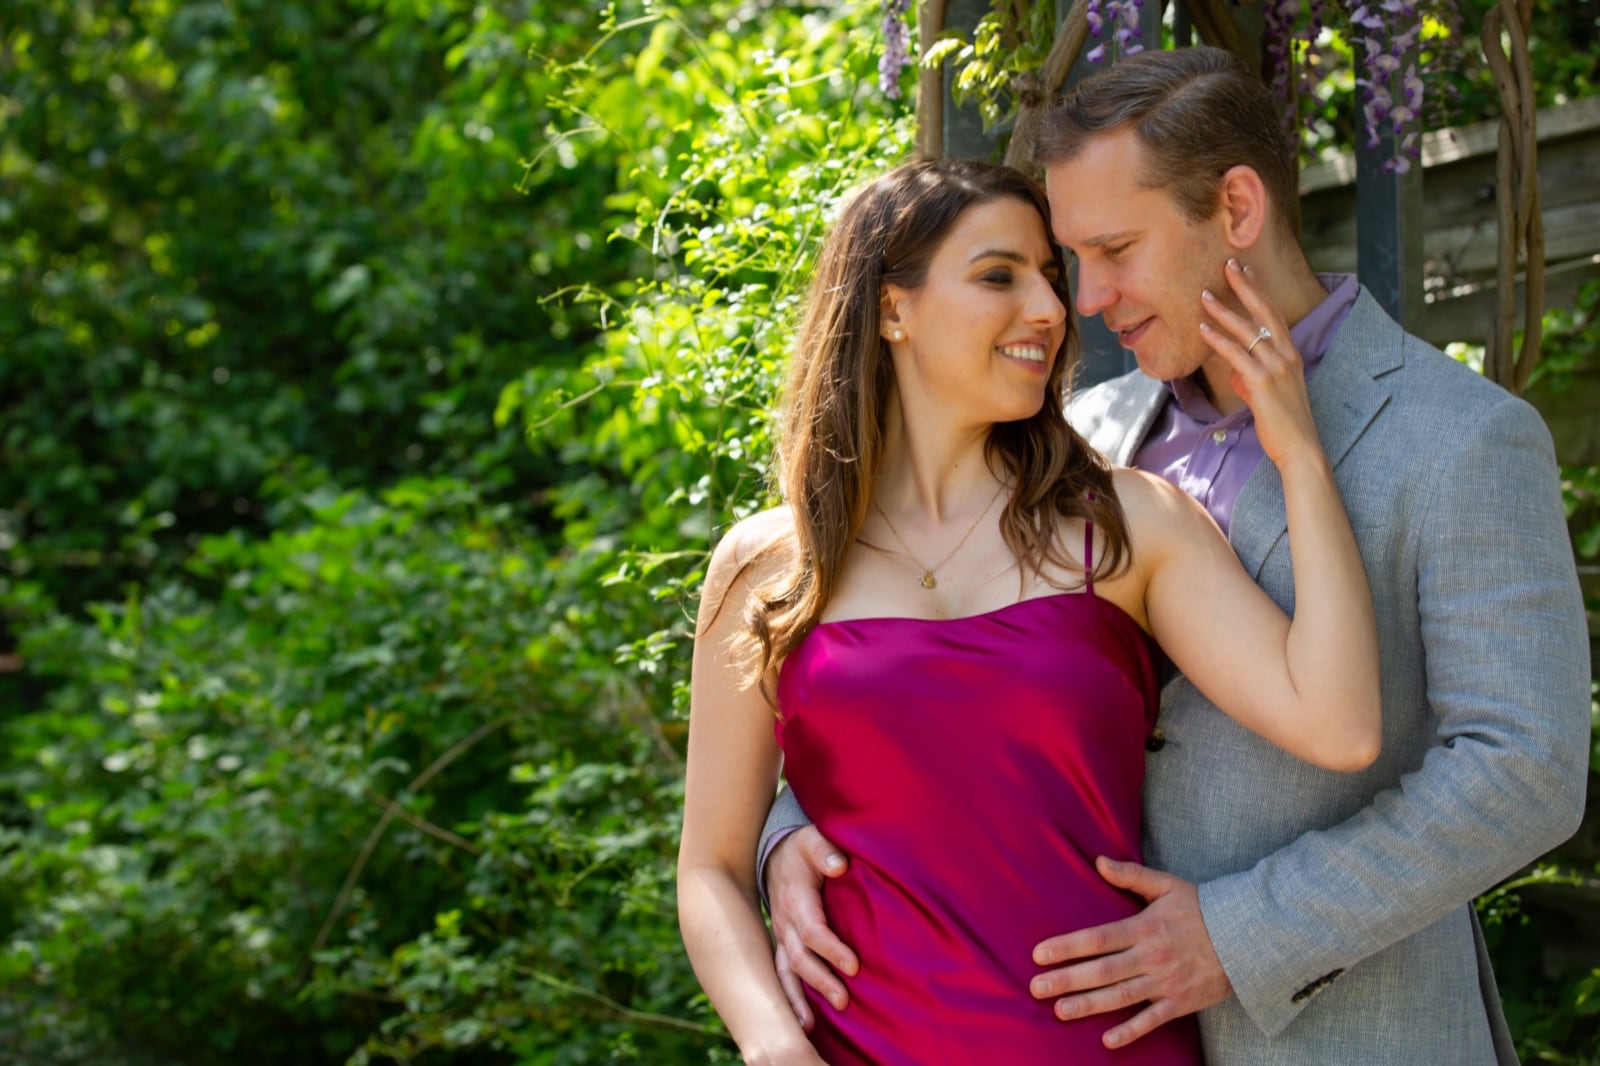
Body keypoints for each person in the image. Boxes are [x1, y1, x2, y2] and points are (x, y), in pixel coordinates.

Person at [758, 47, 1591, 1065]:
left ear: (1235, 210)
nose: (1085, 301)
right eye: (1073, 261)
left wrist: (1241, 934)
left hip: (1348, 1037)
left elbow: (1525, 772)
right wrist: (789, 832)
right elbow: (934, 673)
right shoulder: (1082, 433)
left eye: (1114, 249)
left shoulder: (1461, 437)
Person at [678, 156, 1384, 1065]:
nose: (1054, 310)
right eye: (999, 276)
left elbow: (1340, 724)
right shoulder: (771, 567)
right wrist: (776, 1049)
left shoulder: (1130, 524)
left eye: (1051, 279)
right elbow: (709, 870)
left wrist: (1301, 458)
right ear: (892, 307)